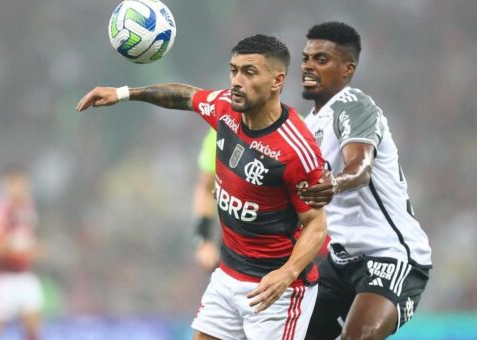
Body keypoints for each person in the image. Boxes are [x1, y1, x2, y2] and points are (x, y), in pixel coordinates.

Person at [77, 34, 327, 340]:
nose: (237, 80)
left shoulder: (296, 150)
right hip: (228, 275)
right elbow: (186, 96)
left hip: (275, 290)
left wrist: (286, 274)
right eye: (233, 70)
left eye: (249, 72)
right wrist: (125, 93)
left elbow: (316, 224)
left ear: (277, 81)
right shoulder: (225, 109)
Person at [298, 22, 432, 339]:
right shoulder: (307, 124)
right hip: (341, 261)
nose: (308, 66)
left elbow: (360, 167)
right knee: (288, 331)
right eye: (306, 58)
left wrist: (334, 183)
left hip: (390, 256)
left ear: (348, 69)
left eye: (321, 59)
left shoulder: (354, 105)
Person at [0, 168, 44, 340]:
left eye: (23, 184)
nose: (20, 188)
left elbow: (29, 238)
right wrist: (16, 250)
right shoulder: (2, 210)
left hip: (25, 275)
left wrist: (34, 249)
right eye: (15, 184)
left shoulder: (28, 209)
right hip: (4, 278)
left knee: (33, 328)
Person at [193, 128, 220, 271]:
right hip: (234, 250)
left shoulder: (298, 128)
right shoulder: (221, 129)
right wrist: (203, 240)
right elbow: (206, 188)